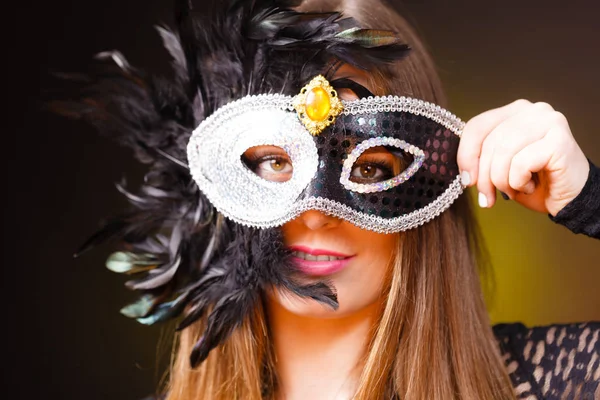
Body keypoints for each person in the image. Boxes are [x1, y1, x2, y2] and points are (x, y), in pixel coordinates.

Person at [52, 0, 600, 399]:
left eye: (368, 168)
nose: (313, 213)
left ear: (436, 178)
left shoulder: (554, 380)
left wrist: (589, 200)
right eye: (273, 163)